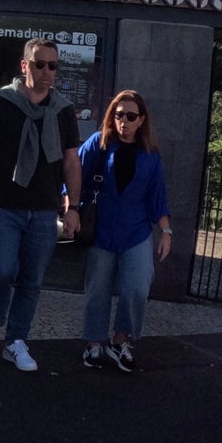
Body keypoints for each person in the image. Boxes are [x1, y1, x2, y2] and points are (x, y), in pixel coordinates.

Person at [0, 37, 82, 371]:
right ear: (24, 66)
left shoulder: (62, 111)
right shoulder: (1, 102)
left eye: (53, 66)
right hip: (4, 205)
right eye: (40, 64)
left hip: (45, 210)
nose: (47, 72)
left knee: (31, 279)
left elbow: (72, 162)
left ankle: (16, 341)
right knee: (2, 271)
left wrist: (73, 206)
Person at [75, 90, 173, 373]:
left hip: (136, 231)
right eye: (119, 115)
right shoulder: (99, 143)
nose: (124, 122)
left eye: (131, 116)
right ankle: (94, 343)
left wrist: (166, 231)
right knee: (97, 290)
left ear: (141, 120)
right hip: (102, 230)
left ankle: (120, 340)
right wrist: (69, 207)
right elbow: (75, 173)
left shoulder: (150, 156)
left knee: (137, 288)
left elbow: (158, 197)